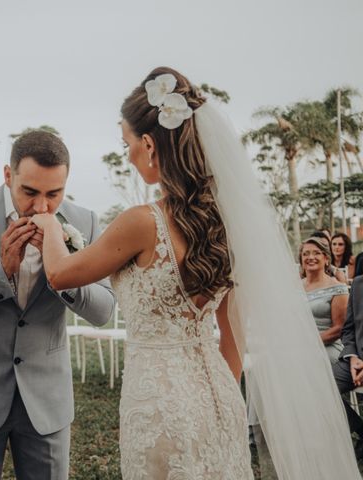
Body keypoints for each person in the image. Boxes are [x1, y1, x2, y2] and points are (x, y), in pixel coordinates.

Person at [30, 67, 360, 479]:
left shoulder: (141, 222)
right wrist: (220, 399)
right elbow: (233, 330)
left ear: (149, 144)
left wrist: (46, 225)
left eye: (127, 143)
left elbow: (60, 273)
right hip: (220, 397)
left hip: (159, 405)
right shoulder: (226, 224)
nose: (128, 154)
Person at [0, 130, 116, 479]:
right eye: (30, 192)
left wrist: (61, 269)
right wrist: (0, 272)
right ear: (8, 175)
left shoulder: (84, 221)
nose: (41, 207)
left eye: (54, 194)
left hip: (46, 400)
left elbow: (102, 310)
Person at [300, 237, 348, 364]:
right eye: (306, 254)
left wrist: (310, 342)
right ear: (301, 260)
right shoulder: (294, 287)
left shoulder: (338, 288)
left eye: (316, 253)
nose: (310, 257)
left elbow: (339, 328)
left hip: (327, 347)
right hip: (298, 345)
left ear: (326, 259)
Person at [333, 275, 363, 454]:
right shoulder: (359, 283)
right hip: (355, 360)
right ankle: (361, 430)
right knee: (320, 389)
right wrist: (353, 357)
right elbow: (348, 330)